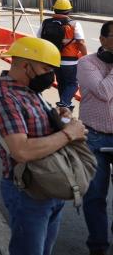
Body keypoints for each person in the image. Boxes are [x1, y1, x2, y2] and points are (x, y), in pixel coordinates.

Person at [0, 37, 87, 255]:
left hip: (48, 186)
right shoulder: (6, 97)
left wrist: (61, 119)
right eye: (46, 68)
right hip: (27, 192)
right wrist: (69, 134)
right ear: (25, 65)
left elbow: (39, 128)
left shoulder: (29, 90)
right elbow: (21, 151)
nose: (50, 75)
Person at [77, 21, 113, 255]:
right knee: (94, 195)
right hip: (95, 137)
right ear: (101, 39)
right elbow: (103, 92)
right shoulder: (86, 63)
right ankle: (98, 245)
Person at [38, 0, 87, 109]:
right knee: (73, 84)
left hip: (53, 60)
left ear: (54, 10)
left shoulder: (46, 23)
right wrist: (86, 58)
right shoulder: (74, 24)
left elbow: (39, 39)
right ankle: (64, 103)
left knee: (61, 83)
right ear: (69, 11)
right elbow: (81, 43)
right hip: (69, 61)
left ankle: (64, 105)